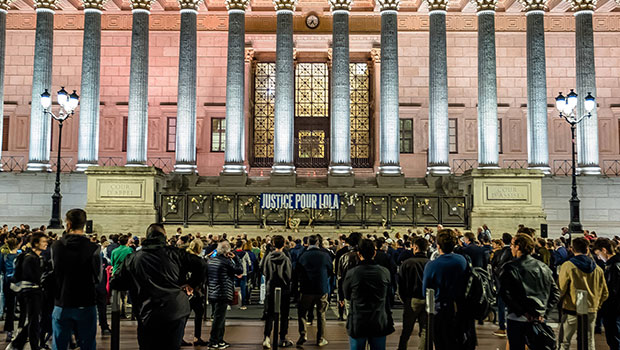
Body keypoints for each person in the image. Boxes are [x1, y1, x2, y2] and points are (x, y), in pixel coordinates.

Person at [111, 224, 205, 350]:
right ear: (164, 234)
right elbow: (201, 265)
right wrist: (191, 284)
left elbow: (116, 282)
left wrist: (134, 281)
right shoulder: (175, 254)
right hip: (174, 309)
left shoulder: (133, 258)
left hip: (147, 311)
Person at [50, 209, 102, 350]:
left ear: (68, 224)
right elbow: (98, 277)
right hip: (86, 302)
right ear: (84, 224)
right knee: (87, 344)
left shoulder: (56, 246)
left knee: (59, 345)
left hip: (62, 301)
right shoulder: (94, 248)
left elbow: (53, 272)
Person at [499, 234, 560, 350]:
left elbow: (505, 294)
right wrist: (544, 313)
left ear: (518, 247)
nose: (511, 248)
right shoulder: (544, 267)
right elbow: (555, 293)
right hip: (539, 318)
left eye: (512, 245)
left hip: (517, 318)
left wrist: (522, 312)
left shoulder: (510, 267)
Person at [422, 229, 471, 350]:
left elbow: (425, 291)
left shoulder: (432, 265)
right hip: (460, 308)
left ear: (438, 246)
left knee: (441, 343)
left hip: (441, 310)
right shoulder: (462, 260)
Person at [557, 237, 608, 350]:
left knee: (565, 341)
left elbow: (561, 288)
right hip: (591, 309)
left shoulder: (568, 266)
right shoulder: (598, 269)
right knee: (589, 341)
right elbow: (605, 292)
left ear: (572, 249)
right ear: (587, 249)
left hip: (572, 308)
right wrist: (596, 305)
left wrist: (560, 303)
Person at [343, 239, 394, 350]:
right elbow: (389, 293)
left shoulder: (352, 273)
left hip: (358, 320)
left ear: (359, 254)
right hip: (379, 319)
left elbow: (346, 294)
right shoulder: (384, 272)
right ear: (374, 253)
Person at [6, 232, 48, 350]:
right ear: (36, 243)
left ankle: (18, 343)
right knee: (34, 320)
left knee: (33, 320)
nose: (46, 244)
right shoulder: (30, 258)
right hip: (30, 292)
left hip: (32, 292)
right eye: (43, 241)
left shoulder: (35, 257)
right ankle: (32, 346)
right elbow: (31, 276)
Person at [296, 235, 333, 347]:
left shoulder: (303, 255)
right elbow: (331, 270)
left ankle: (303, 334)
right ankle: (320, 338)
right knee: (321, 313)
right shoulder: (325, 255)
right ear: (318, 243)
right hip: (321, 288)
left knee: (302, 313)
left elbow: (297, 271)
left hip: (306, 288)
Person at [207, 240, 243, 349]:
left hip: (213, 291)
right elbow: (239, 270)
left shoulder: (211, 260)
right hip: (223, 292)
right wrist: (235, 258)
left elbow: (206, 258)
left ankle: (219, 340)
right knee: (219, 318)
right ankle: (213, 341)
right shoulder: (226, 262)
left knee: (219, 318)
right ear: (227, 251)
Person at [261, 235, 293, 349]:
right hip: (283, 289)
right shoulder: (285, 258)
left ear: (273, 244)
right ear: (284, 244)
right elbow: (289, 275)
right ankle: (282, 338)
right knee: (284, 315)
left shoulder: (269, 257)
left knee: (269, 314)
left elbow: (264, 271)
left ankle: (267, 337)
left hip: (271, 287)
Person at [397, 237, 429, 350]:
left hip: (411, 300)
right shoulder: (430, 263)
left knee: (406, 330)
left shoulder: (406, 263)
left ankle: (402, 348)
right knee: (425, 329)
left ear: (415, 247)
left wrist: (403, 299)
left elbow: (400, 283)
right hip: (427, 300)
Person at [593, 237, 620, 350]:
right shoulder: (612, 265)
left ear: (604, 250)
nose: (598, 257)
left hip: (613, 309)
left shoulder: (614, 266)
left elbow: (614, 290)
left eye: (598, 254)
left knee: (614, 337)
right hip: (613, 309)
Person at [183, 238, 209, 347]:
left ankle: (179, 337)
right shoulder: (199, 261)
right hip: (195, 291)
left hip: (182, 289)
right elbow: (200, 276)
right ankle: (197, 337)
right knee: (199, 312)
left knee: (184, 314)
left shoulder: (184, 258)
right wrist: (192, 286)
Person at [491, 232, 513, 337]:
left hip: (501, 283)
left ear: (502, 241)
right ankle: (510, 326)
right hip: (511, 284)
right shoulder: (513, 253)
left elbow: (493, 265)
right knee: (511, 307)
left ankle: (502, 327)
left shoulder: (498, 253)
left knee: (501, 305)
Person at [1, 238, 19, 342]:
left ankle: (9, 331)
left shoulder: (4, 256)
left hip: (7, 283)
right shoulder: (20, 257)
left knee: (10, 308)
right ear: (17, 245)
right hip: (18, 284)